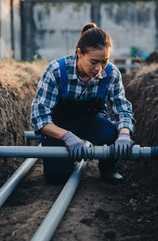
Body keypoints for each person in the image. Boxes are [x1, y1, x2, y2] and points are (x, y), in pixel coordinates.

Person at [30, 23, 135, 185]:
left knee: (110, 134)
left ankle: (108, 169)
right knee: (57, 177)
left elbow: (122, 110)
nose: (99, 68)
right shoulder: (56, 71)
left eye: (105, 61)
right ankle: (63, 164)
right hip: (59, 124)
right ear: (79, 53)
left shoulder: (111, 73)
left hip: (91, 119)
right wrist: (66, 136)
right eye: (93, 61)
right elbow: (39, 118)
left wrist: (124, 134)